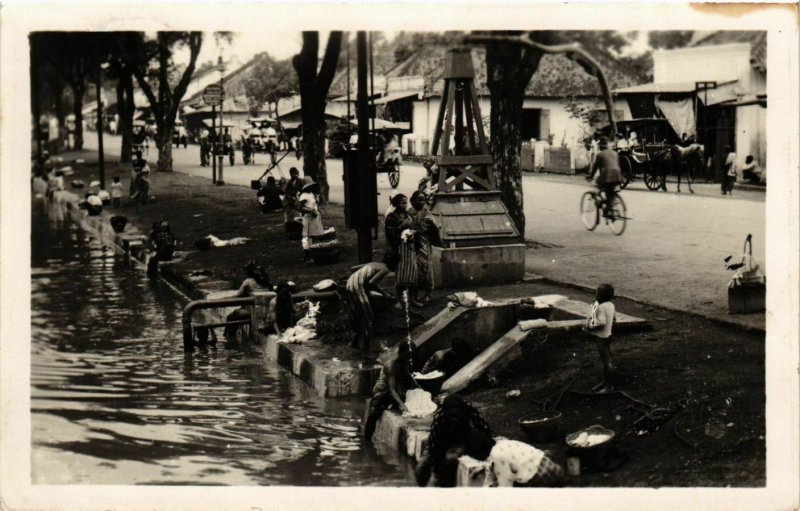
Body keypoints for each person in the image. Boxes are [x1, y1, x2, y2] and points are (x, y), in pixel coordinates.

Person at [415, 395, 496, 487]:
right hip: (442, 440)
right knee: (421, 469)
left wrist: (480, 445)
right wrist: (435, 465)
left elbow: (484, 427)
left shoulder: (467, 408)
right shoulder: (440, 416)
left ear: (462, 410)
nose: (454, 419)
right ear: (446, 412)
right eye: (451, 417)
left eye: (456, 416)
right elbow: (434, 444)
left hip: (462, 440)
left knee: (449, 461)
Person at [363, 341, 418, 440]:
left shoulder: (405, 362)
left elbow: (408, 375)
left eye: (411, 355)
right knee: (373, 415)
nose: (409, 358)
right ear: (401, 352)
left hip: (397, 388)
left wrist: (418, 386)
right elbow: (391, 389)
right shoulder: (390, 365)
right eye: (408, 355)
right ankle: (367, 442)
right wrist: (402, 404)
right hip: (383, 390)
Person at [345, 262, 394, 350]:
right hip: (357, 286)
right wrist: (384, 293)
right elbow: (372, 283)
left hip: (350, 282)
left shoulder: (376, 263)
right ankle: (366, 346)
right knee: (368, 316)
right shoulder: (385, 269)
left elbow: (353, 268)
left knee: (359, 314)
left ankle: (354, 343)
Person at [224, 260, 273, 342]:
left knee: (231, 317)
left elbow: (238, 295)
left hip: (252, 311)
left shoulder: (248, 281)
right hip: (267, 310)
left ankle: (230, 339)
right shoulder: (266, 280)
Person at [583, 283, 617, 391]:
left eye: (597, 293)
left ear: (601, 295)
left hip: (601, 338)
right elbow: (614, 319)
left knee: (606, 361)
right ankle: (605, 381)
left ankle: (609, 385)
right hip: (608, 335)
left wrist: (589, 328)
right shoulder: (611, 305)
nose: (595, 295)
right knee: (607, 360)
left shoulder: (601, 307)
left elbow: (601, 322)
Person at [408, 190, 437, 304]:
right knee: (414, 269)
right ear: (413, 200)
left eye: (423, 200)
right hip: (412, 243)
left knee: (426, 267)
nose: (421, 202)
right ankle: (414, 294)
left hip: (424, 243)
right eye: (419, 199)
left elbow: (431, 225)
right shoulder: (409, 212)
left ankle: (428, 292)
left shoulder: (426, 212)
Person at [587, 136, 623, 217]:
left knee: (596, 185)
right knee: (610, 192)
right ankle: (610, 204)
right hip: (618, 177)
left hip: (607, 176)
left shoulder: (600, 154)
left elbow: (595, 168)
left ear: (600, 146)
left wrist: (590, 176)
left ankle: (604, 207)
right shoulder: (615, 153)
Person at [297, 176, 324, 262]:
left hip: (314, 218)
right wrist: (310, 211)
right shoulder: (304, 195)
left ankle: (315, 254)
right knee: (306, 237)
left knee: (314, 236)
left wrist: (316, 202)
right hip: (308, 218)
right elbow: (299, 208)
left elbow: (314, 205)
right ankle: (307, 255)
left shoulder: (311, 194)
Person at [384, 193, 411, 272]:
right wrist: (401, 227)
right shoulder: (391, 216)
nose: (405, 205)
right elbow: (389, 233)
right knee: (399, 268)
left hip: (408, 247)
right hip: (397, 247)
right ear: (396, 204)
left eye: (406, 203)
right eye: (403, 203)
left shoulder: (408, 215)